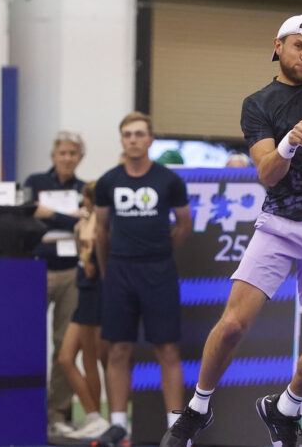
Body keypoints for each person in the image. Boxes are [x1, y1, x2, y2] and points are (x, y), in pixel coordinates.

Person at [160, 14, 302, 447]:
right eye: (297, 46)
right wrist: (291, 140)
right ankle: (197, 408)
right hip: (282, 225)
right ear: (278, 46)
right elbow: (268, 173)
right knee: (233, 324)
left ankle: (284, 407)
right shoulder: (259, 103)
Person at [93, 111, 193, 446]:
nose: (133, 140)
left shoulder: (169, 181)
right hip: (120, 272)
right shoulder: (108, 182)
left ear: (150, 139)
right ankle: (119, 425)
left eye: (139, 134)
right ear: (122, 141)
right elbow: (100, 231)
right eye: (127, 135)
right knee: (118, 349)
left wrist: (162, 252)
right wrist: (108, 271)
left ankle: (176, 429)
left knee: (167, 348)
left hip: (159, 271)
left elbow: (184, 224)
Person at [24, 131, 87, 437]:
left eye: (73, 153)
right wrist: (69, 218)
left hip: (71, 273)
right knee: (26, 340)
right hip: (36, 269)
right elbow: (30, 216)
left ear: (80, 157)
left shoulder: (85, 189)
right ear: (53, 156)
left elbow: (84, 223)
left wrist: (56, 216)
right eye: (62, 153)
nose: (67, 158)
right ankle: (23, 408)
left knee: (65, 346)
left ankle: (57, 414)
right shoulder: (35, 182)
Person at [58, 181, 111, 440]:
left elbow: (91, 261)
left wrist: (86, 246)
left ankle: (100, 419)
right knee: (66, 358)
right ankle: (94, 416)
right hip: (84, 291)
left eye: (85, 199)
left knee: (92, 358)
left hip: (93, 290)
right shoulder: (83, 223)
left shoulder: (97, 224)